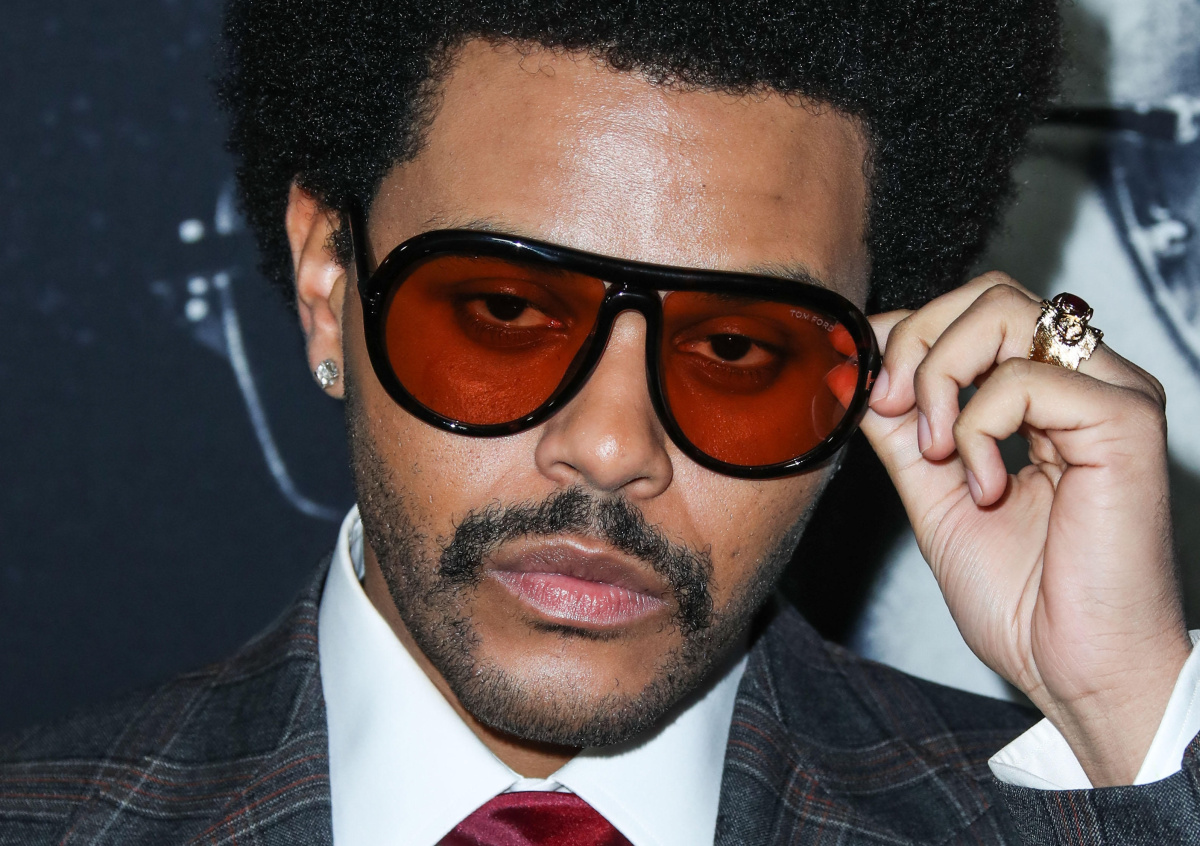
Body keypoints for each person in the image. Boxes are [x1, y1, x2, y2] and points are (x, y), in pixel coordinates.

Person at [2, 1, 1198, 844]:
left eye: (736, 349)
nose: (615, 446)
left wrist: (1128, 718)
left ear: (878, 371)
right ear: (329, 280)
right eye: (507, 311)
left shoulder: (1076, 816)